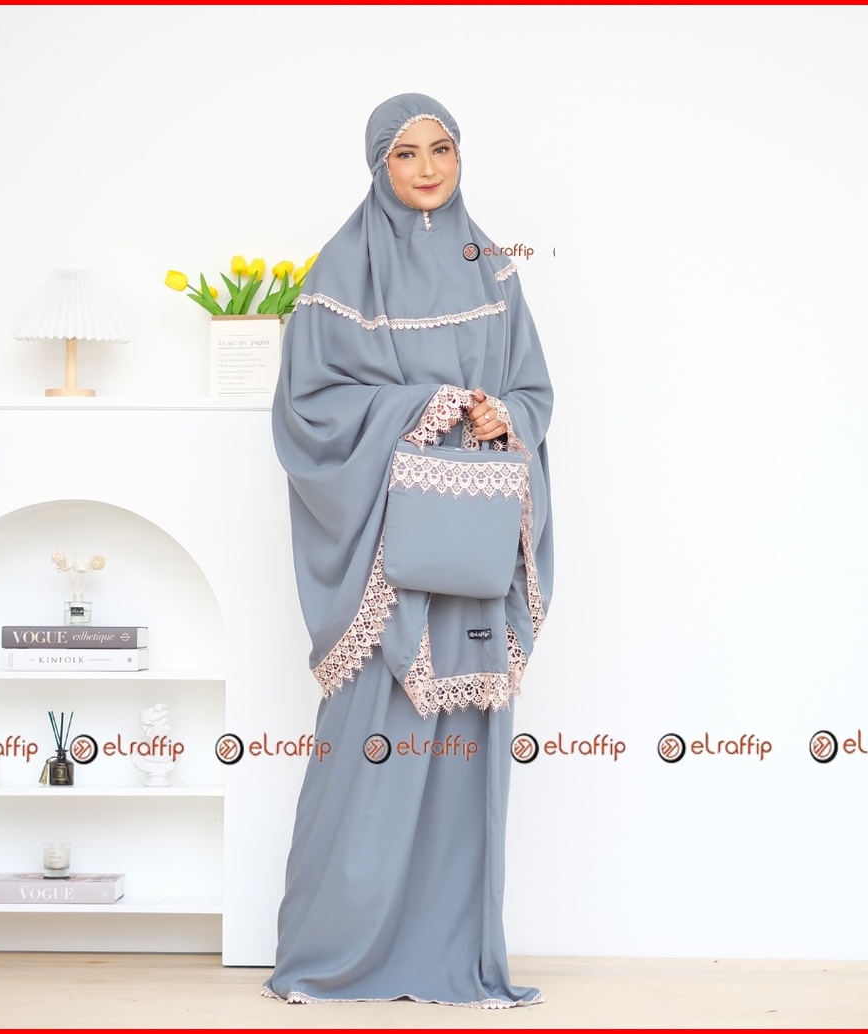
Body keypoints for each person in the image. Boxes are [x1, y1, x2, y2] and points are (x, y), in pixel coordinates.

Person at [265, 92, 554, 1008]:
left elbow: (535, 391)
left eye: (442, 149)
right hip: (388, 558)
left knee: (466, 744)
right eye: (405, 153)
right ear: (377, 166)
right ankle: (331, 954)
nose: (427, 168)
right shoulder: (339, 271)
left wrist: (503, 415)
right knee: (371, 741)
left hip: (470, 544)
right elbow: (308, 410)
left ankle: (453, 959)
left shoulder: (493, 269)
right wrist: (423, 407)